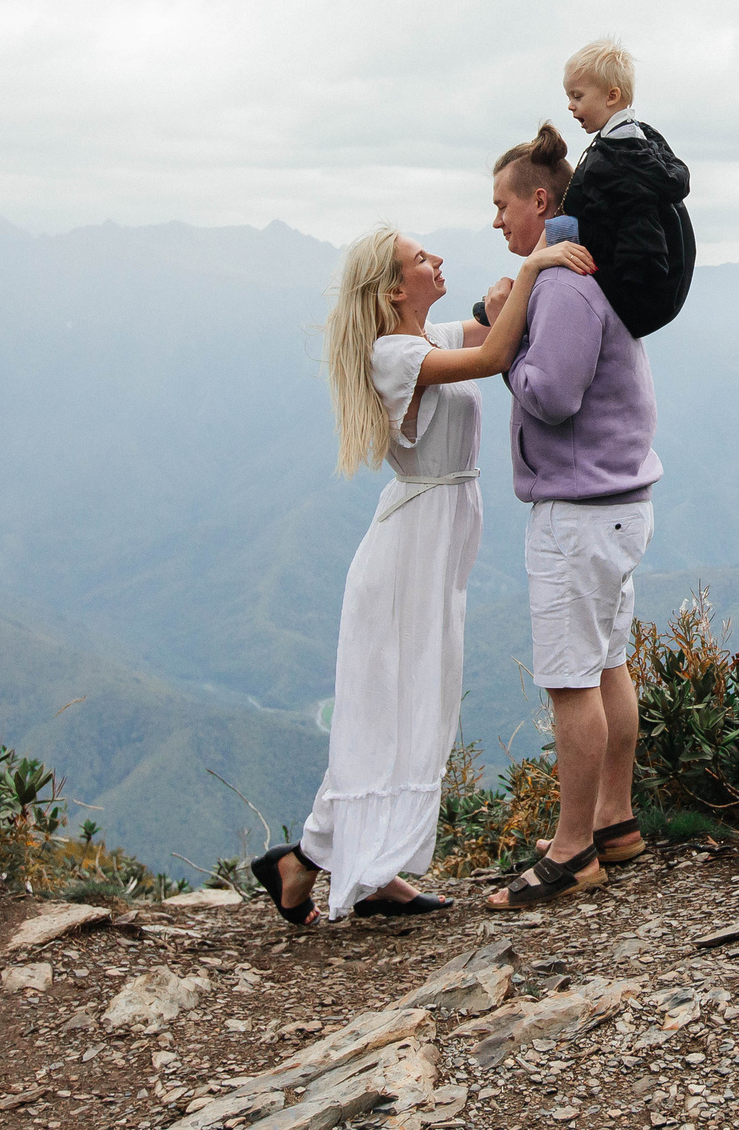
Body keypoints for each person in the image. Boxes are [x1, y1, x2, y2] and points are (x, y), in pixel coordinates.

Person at [251, 222, 593, 926]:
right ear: (393, 288)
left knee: (416, 709)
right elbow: (494, 350)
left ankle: (362, 868)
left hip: (437, 538)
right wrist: (535, 266)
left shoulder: (425, 336)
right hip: (409, 548)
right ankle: (310, 860)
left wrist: (505, 292)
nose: (436, 259)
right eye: (420, 258)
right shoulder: (393, 353)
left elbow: (477, 326)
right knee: (389, 711)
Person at [477, 124, 662, 909]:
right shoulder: (585, 280)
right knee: (610, 661)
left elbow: (549, 395)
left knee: (569, 680)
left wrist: (502, 344)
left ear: (541, 202)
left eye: (502, 205)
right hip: (620, 504)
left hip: (579, 513)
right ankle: (616, 822)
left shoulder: (563, 287)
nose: (497, 222)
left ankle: (572, 847)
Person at [556, 37, 695, 339]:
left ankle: (505, 315)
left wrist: (552, 247)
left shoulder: (618, 160)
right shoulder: (645, 141)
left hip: (636, 295)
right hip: (662, 295)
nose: (570, 105)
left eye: (577, 96)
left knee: (551, 283)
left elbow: (636, 235)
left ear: (611, 96)